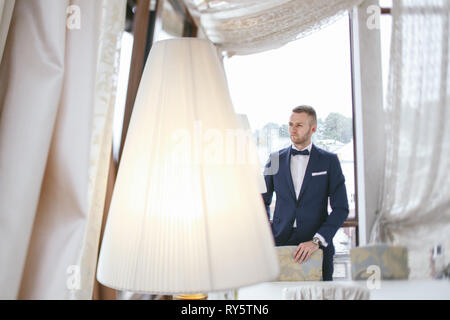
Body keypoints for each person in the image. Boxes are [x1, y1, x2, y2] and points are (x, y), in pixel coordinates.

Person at [262, 105, 349, 281]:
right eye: (290, 124)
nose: (292, 129)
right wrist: (268, 235)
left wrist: (317, 240)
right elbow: (261, 202)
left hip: (316, 245)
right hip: (279, 244)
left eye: (299, 125)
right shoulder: (274, 160)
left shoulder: (330, 161)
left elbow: (341, 208)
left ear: (313, 129)